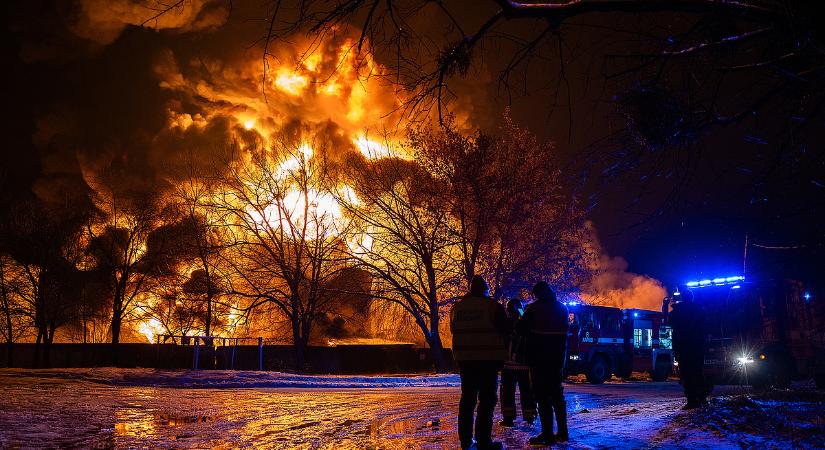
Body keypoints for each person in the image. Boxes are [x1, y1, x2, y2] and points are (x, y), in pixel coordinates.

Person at [450, 275, 509, 450]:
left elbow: (454, 330)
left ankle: (466, 442)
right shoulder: (493, 307)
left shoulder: (457, 308)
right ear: (485, 290)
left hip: (465, 362)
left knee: (467, 400)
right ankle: (484, 442)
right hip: (488, 362)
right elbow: (506, 330)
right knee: (486, 401)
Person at [520, 281, 569, 446]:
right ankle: (562, 432)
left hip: (538, 359)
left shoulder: (532, 310)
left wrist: (521, 315)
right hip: (556, 360)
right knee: (557, 396)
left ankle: (547, 434)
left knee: (542, 397)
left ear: (537, 294)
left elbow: (520, 329)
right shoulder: (562, 308)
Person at [664, 289, 708, 409]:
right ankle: (702, 398)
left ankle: (692, 400)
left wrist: (665, 305)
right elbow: (705, 326)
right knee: (698, 372)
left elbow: (668, 321)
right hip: (697, 346)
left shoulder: (678, 311)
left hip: (684, 346)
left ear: (683, 297)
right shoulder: (699, 310)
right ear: (692, 298)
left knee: (687, 374)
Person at [499, 294, 536, 427]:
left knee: (508, 392)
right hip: (523, 364)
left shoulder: (507, 323)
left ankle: (509, 419)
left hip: (509, 365)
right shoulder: (526, 321)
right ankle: (529, 417)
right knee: (526, 392)